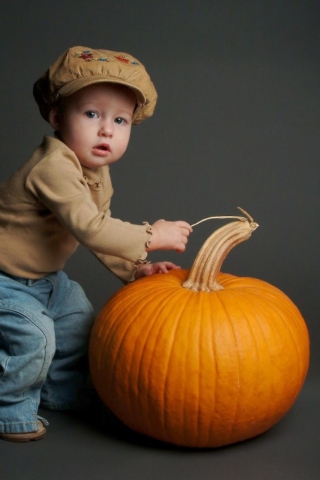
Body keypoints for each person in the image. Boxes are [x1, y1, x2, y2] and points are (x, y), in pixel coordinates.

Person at [0, 46, 192, 442]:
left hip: (47, 280)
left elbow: (101, 235)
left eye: (120, 120)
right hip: (6, 281)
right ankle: (9, 410)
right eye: (92, 114)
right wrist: (152, 236)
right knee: (36, 338)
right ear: (57, 117)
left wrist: (135, 268)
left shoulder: (97, 173)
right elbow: (91, 228)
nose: (107, 129)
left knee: (80, 324)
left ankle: (61, 394)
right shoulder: (52, 166)